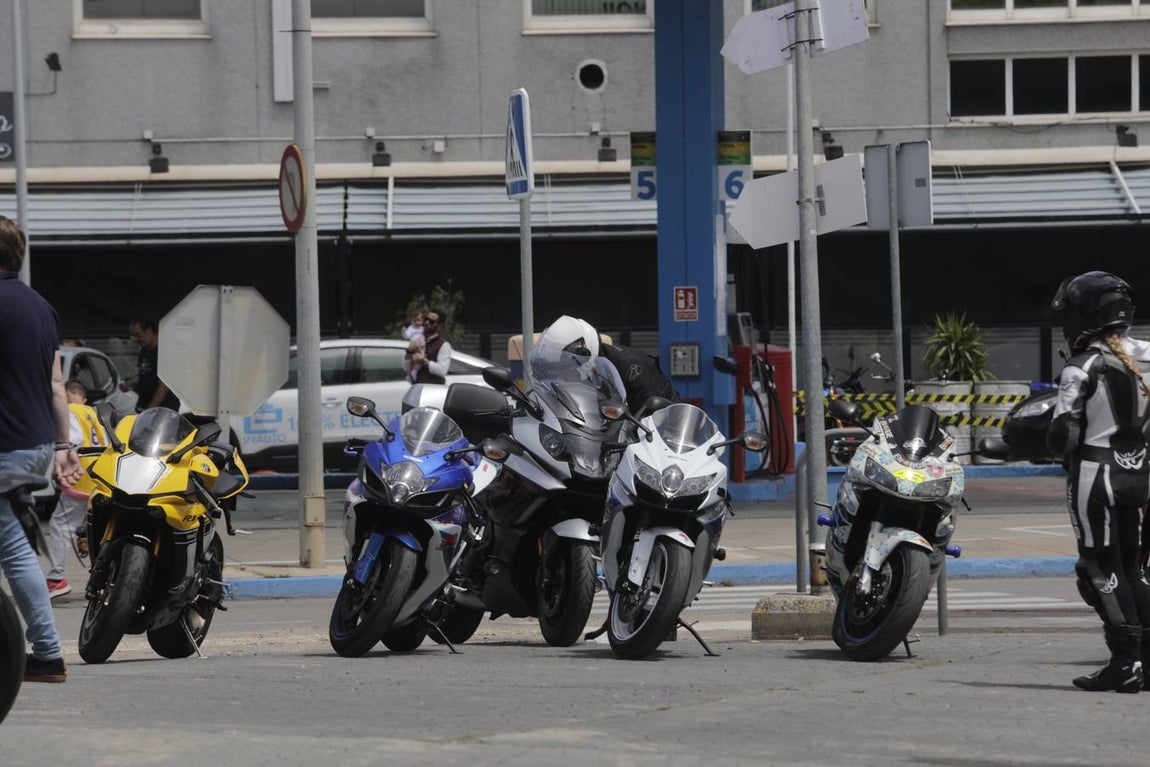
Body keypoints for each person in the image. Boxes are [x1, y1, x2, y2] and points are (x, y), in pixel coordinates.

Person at [1047, 271, 1150, 693]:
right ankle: (1145, 663)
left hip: (1094, 475)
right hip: (1139, 474)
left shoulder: (1081, 366)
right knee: (1134, 569)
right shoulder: (1147, 353)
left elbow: (1062, 436)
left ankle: (1124, 662)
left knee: (1100, 570)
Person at [0, 215, 82, 683]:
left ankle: (48, 653)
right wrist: (63, 444)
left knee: (12, 550)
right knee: (10, 547)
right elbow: (55, 385)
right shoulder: (40, 306)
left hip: (5, 446)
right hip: (32, 444)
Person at [44, 379, 106, 599]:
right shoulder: (94, 413)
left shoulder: (69, 411)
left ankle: (55, 578)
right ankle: (103, 578)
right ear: (84, 397)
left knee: (60, 525)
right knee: (94, 528)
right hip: (101, 476)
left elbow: (73, 439)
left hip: (80, 475)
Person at [128, 317, 180, 412]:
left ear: (149, 330)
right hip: (144, 405)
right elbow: (147, 379)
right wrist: (132, 386)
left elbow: (163, 385)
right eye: (133, 336)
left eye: (138, 335)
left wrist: (150, 409)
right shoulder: (143, 351)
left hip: (163, 409)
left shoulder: (164, 351)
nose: (136, 339)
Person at [403, 308, 452, 385]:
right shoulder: (418, 339)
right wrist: (409, 351)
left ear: (440, 326)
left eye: (431, 321)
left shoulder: (444, 345)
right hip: (416, 386)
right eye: (426, 319)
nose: (427, 322)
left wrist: (424, 361)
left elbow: (442, 371)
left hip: (432, 390)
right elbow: (406, 368)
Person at [401, 311, 426, 383]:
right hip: (414, 347)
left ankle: (415, 371)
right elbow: (406, 336)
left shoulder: (422, 329)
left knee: (420, 359)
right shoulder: (411, 328)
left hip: (421, 346)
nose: (416, 322)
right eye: (414, 320)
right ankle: (411, 372)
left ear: (422, 321)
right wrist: (403, 332)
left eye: (418, 320)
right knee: (412, 360)